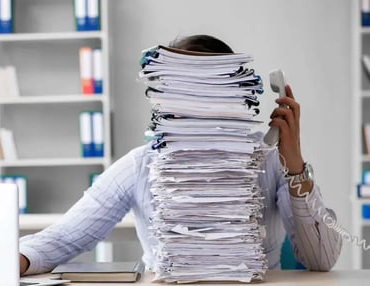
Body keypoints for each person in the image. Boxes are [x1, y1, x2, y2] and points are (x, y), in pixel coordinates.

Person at [18, 35, 342, 275]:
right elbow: (63, 238)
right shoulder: (141, 164)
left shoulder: (271, 159)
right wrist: (9, 262)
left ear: (237, 100)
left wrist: (294, 165)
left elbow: (321, 260)